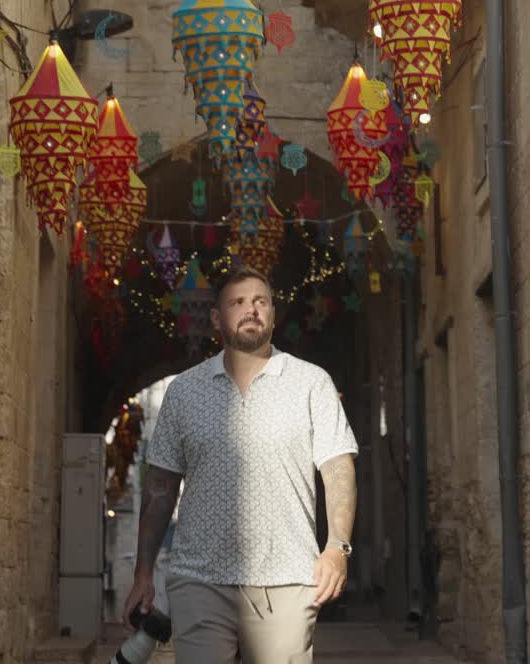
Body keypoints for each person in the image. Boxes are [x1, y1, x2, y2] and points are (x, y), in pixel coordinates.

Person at [122, 267, 358, 664]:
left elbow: (338, 469)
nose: (251, 309)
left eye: (260, 301)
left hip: (287, 582)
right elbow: (160, 489)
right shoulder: (184, 391)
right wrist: (143, 574)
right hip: (199, 581)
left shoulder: (311, 383)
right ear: (217, 319)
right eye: (238, 302)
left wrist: (337, 548)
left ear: (273, 315)